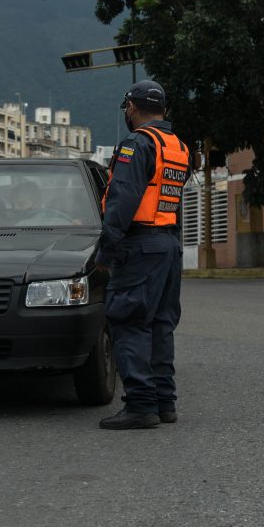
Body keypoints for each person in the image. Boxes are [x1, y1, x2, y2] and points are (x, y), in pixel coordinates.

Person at [96, 80, 190, 430]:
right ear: (163, 109)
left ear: (132, 108)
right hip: (168, 245)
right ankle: (165, 403)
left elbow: (122, 200)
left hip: (140, 245)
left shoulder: (137, 144)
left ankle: (140, 406)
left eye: (127, 108)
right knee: (161, 324)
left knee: (129, 320)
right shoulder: (178, 146)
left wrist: (106, 251)